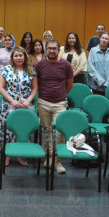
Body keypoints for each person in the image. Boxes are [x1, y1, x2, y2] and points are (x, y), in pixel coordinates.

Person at [35, 39, 74, 174]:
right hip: (43, 102)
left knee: (59, 133)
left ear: (59, 50)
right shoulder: (39, 65)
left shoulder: (66, 65)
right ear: (46, 50)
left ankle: (57, 161)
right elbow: (37, 83)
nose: (52, 51)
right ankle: (49, 157)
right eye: (49, 48)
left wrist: (61, 94)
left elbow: (69, 84)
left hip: (60, 103)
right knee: (46, 132)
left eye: (54, 48)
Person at [0, 46, 38, 167]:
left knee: (22, 130)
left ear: (25, 56)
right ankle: (7, 156)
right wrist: (12, 101)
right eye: (16, 56)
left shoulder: (31, 70)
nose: (18, 58)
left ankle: (19, 156)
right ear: (12, 57)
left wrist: (28, 101)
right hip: (9, 104)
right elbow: (0, 87)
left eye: (20, 55)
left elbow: (35, 87)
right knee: (7, 131)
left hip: (25, 105)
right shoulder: (6, 69)